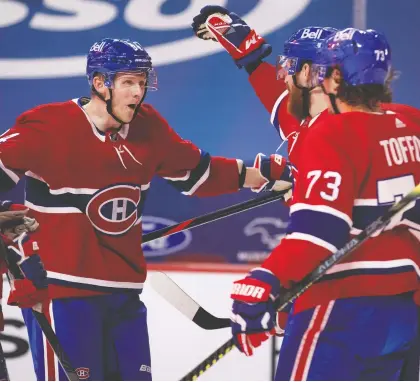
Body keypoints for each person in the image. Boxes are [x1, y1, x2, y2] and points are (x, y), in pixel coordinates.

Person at [0, 38, 294, 380]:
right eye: (127, 82)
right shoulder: (48, 126)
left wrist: (266, 178)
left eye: (142, 82)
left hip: (124, 296)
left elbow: (200, 173)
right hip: (63, 295)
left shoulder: (148, 127)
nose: (137, 92)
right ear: (100, 83)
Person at [192, 7, 420, 379]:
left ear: (321, 77)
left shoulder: (330, 133)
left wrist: (269, 282)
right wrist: (248, 56)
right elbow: (285, 111)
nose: (283, 79)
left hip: (342, 301)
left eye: (291, 70)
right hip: (402, 306)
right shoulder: (406, 120)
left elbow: (319, 233)